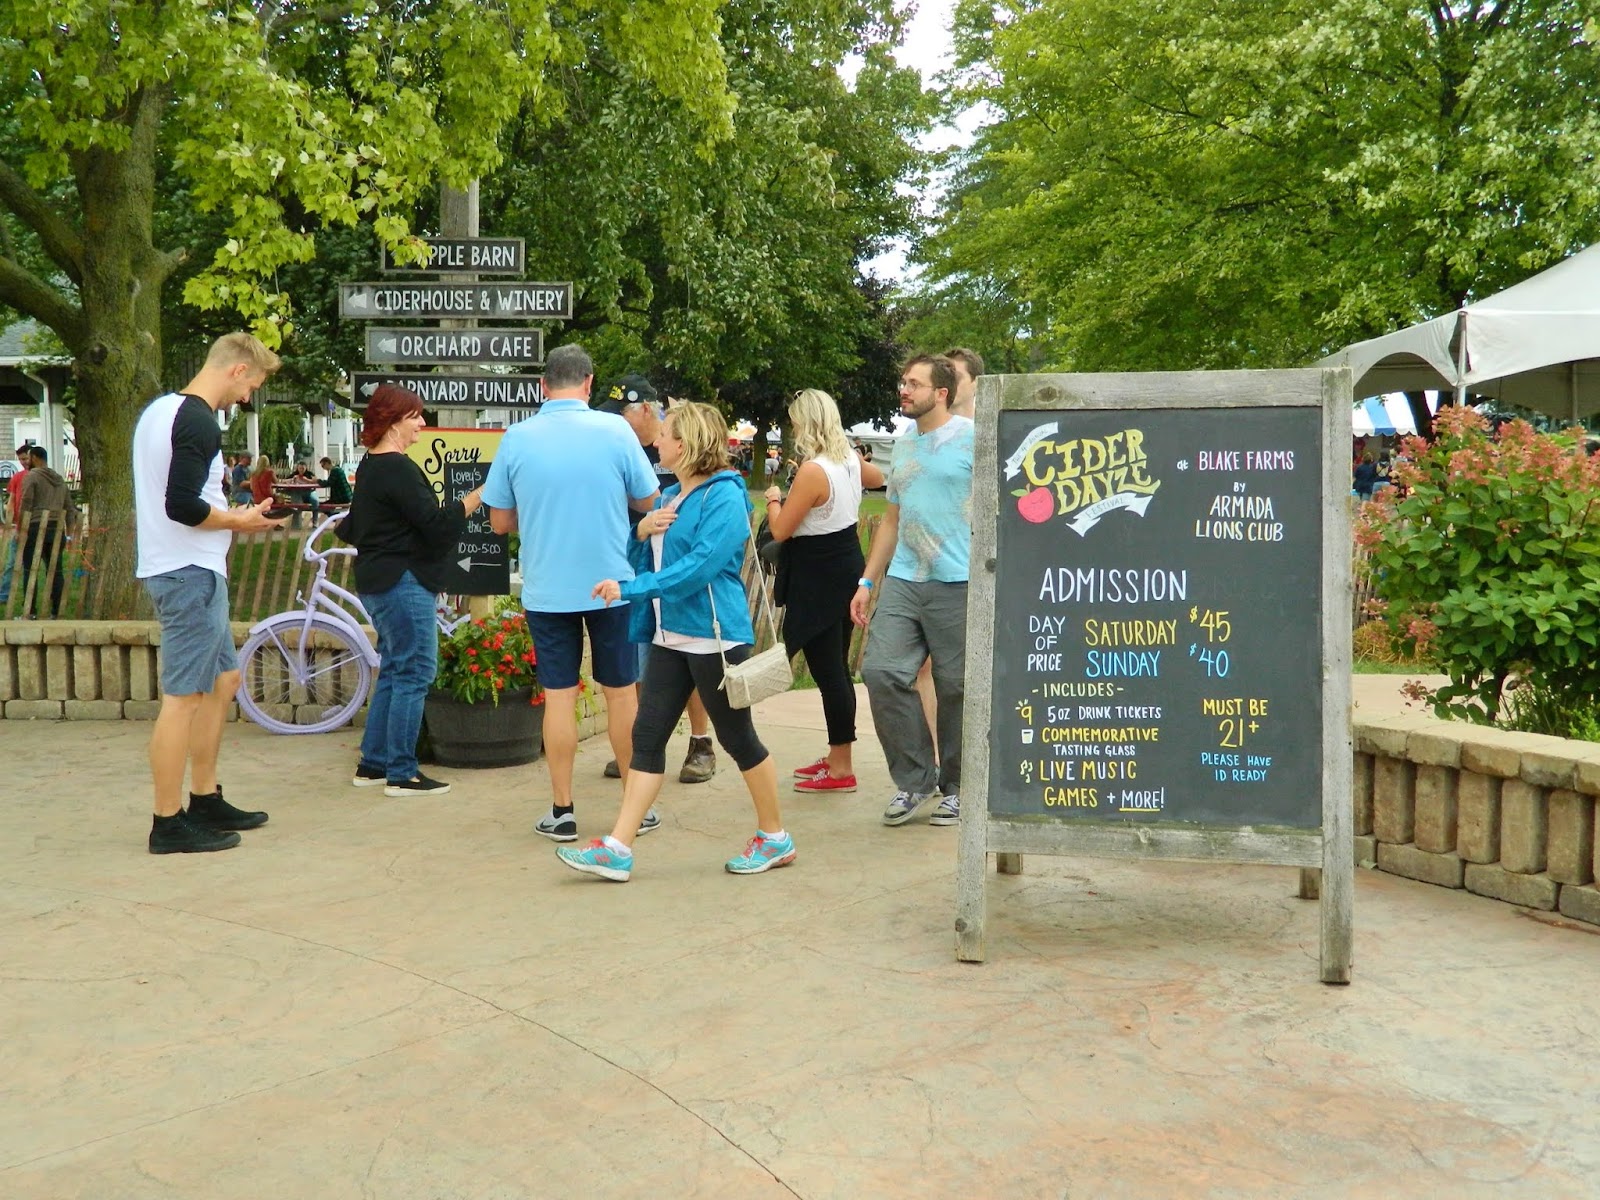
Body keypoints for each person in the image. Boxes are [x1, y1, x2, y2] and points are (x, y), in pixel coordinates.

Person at [558, 402, 793, 881]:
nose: (656, 441)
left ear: (684, 445)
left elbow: (701, 568)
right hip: (670, 637)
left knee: (737, 738)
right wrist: (640, 533)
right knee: (647, 737)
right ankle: (619, 847)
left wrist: (630, 590)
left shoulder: (724, 497)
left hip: (713, 638)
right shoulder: (671, 495)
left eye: (664, 434)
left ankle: (774, 838)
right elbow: (647, 559)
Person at [483, 343, 661, 843]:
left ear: (543, 386)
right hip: (612, 585)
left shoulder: (517, 437)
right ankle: (635, 806)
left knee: (558, 698)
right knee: (621, 694)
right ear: (588, 384)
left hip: (547, 589)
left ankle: (562, 810)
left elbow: (498, 522)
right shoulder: (615, 431)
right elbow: (648, 498)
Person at [133, 332, 288, 854]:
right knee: (183, 698)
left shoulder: (161, 410)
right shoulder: (198, 419)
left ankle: (203, 795)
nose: (247, 400)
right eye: (252, 387)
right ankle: (167, 821)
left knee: (223, 679)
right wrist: (238, 521)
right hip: (187, 572)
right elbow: (182, 504)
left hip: (184, 568)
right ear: (237, 370)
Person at [337, 385, 483, 797]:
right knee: (416, 670)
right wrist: (477, 497)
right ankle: (402, 771)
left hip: (380, 580)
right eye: (416, 416)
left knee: (397, 668)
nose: (422, 423)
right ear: (394, 421)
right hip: (402, 582)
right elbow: (436, 525)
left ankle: (374, 763)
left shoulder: (371, 465)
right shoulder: (396, 468)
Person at [851, 354, 974, 828]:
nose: (904, 390)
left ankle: (961, 788)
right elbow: (893, 520)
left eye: (914, 384)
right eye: (903, 381)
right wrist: (867, 581)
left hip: (960, 580)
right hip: (905, 578)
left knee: (957, 687)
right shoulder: (903, 446)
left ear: (940, 393)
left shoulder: (973, 440)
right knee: (881, 672)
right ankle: (916, 780)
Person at [593, 372, 718, 785]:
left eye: (623, 415)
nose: (617, 423)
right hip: (635, 565)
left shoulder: (681, 443)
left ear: (646, 409)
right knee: (644, 661)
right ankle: (643, 746)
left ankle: (701, 743)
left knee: (691, 658)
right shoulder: (618, 446)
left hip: (679, 574)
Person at [762, 388, 885, 794]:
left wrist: (775, 500)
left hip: (817, 575)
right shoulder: (849, 458)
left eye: (796, 420)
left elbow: (781, 529)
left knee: (828, 671)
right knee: (835, 667)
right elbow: (879, 478)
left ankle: (841, 768)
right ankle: (837, 754)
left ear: (806, 423)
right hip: (845, 564)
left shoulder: (814, 470)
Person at [17, 445, 79, 617]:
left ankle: (30, 611)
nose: (27, 462)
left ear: (35, 458)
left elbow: (26, 503)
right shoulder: (59, 480)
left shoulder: (32, 477)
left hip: (36, 526)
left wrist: (22, 528)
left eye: (28, 458)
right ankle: (57, 610)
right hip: (56, 528)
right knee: (55, 570)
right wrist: (70, 533)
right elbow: (69, 508)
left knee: (31, 569)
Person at [0, 444, 30, 606]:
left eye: (25, 458)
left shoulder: (39, 475)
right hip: (19, 525)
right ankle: (4, 594)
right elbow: (12, 499)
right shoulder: (17, 477)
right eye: (20, 460)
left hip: (35, 524)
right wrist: (10, 520)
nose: (23, 462)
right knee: (12, 562)